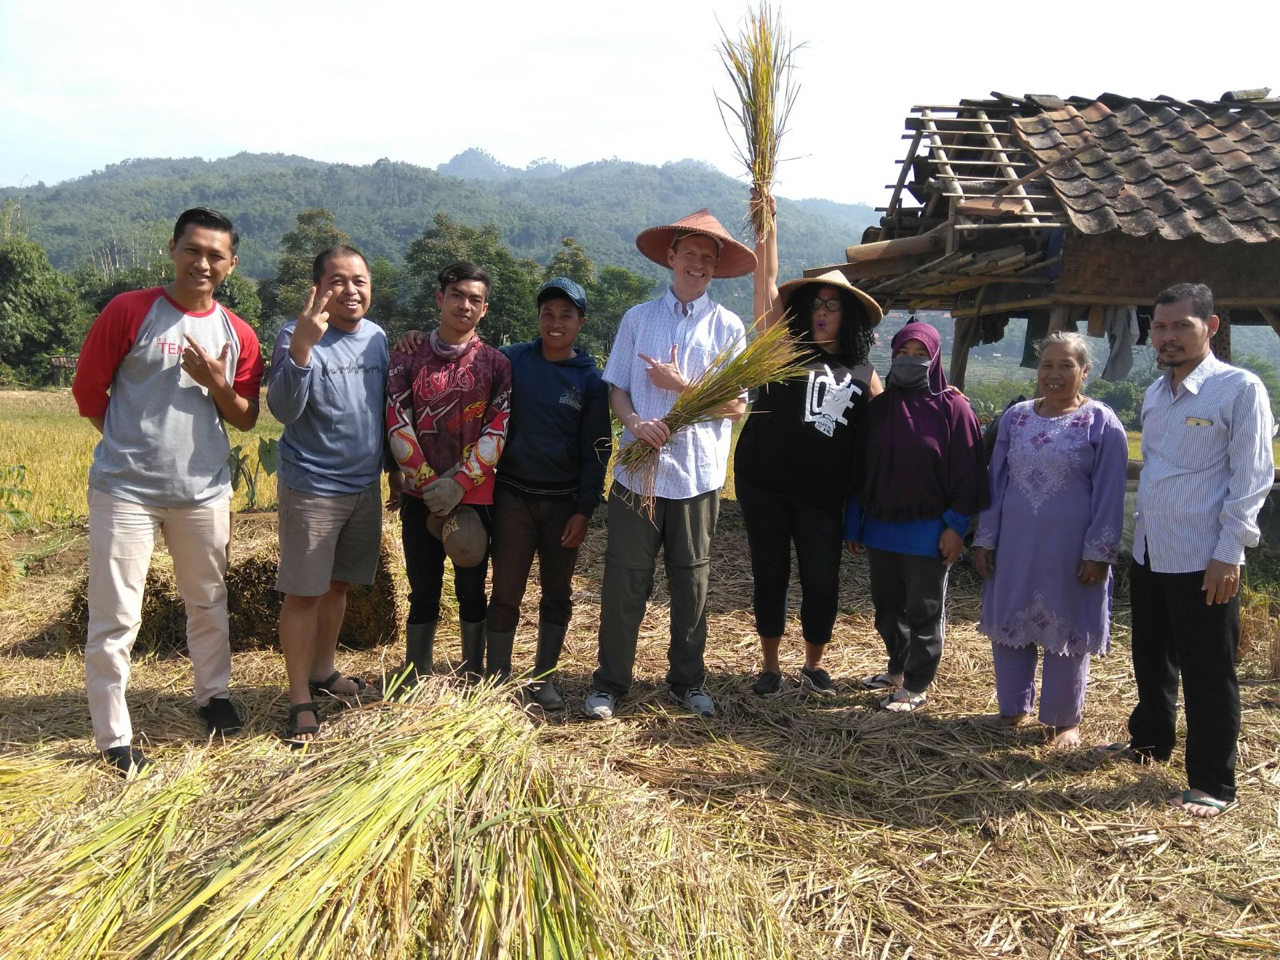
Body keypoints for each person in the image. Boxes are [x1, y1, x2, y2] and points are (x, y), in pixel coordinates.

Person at [72, 207, 263, 775]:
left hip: (203, 491)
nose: (202, 263)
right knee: (116, 614)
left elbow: (247, 417)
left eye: (215, 255)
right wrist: (128, 446)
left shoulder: (237, 333)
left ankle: (214, 695)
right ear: (174, 249)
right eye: (192, 250)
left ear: (231, 264)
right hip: (125, 490)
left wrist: (216, 384)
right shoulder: (130, 311)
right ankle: (114, 736)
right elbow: (88, 389)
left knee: (208, 599)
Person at [1102, 283, 1273, 818]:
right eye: (1160, 326)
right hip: (1153, 550)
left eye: (1182, 326)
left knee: (1207, 669)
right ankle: (1150, 741)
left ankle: (1213, 783)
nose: (1168, 337)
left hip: (1205, 557)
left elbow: (1253, 478)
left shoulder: (1239, 389)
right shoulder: (1156, 393)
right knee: (1151, 656)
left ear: (1211, 327)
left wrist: (1231, 552)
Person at [585, 209, 756, 720]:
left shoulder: (728, 327)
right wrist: (635, 423)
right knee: (624, 581)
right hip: (636, 475)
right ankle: (610, 682)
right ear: (671, 257)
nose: (698, 264)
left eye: (708, 257)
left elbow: (736, 406)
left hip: (698, 477)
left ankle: (688, 681)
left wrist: (682, 388)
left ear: (716, 268)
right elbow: (616, 387)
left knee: (693, 582)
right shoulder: (638, 318)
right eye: (690, 255)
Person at [737, 197, 882, 697]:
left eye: (832, 307)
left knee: (822, 580)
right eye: (816, 306)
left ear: (850, 317)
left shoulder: (865, 374)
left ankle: (814, 663)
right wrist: (766, 226)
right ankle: (770, 665)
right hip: (765, 485)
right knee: (770, 573)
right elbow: (765, 280)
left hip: (824, 497)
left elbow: (882, 435)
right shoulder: (781, 349)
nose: (822, 315)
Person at [972, 332, 1128, 748]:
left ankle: (1063, 722)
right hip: (1016, 546)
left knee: (1067, 631)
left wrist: (1099, 552)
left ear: (1085, 371)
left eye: (1066, 366)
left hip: (1071, 552)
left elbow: (1110, 494)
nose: (1054, 375)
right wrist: (984, 540)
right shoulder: (1016, 418)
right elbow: (996, 483)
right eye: (1047, 366)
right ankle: (1012, 710)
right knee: (1012, 623)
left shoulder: (1102, 423)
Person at [267, 245, 393, 744]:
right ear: (317, 290)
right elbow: (282, 409)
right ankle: (300, 698)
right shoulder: (296, 336)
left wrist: (394, 472)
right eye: (337, 281)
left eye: (359, 280)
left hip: (365, 486)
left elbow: (383, 409)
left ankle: (323, 671)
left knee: (338, 585)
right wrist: (302, 347)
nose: (350, 290)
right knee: (303, 593)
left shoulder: (378, 339)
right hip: (313, 487)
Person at [483, 278, 612, 708]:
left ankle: (544, 679)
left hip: (563, 503)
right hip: (513, 496)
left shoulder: (591, 381)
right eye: (548, 314)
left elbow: (599, 449)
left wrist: (585, 510)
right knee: (505, 591)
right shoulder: (512, 359)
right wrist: (416, 341)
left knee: (557, 592)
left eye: (566, 316)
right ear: (538, 318)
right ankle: (497, 677)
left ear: (581, 322)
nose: (555, 323)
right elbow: (465, 357)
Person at [845, 321, 987, 713]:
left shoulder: (953, 408)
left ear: (935, 358)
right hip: (880, 529)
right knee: (887, 610)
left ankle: (917, 682)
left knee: (924, 609)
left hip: (929, 532)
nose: (910, 361)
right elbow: (860, 471)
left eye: (920, 354)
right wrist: (854, 523)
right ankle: (896, 668)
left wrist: (957, 528)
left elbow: (967, 473)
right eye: (903, 354)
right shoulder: (877, 409)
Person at [386, 262, 511, 683]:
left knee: (471, 587)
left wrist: (458, 483)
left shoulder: (496, 364)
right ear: (440, 298)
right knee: (423, 590)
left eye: (475, 299)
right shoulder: (408, 355)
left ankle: (473, 671)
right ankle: (415, 672)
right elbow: (396, 420)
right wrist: (425, 482)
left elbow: (499, 426)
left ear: (485, 308)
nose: (465, 304)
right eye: (456, 295)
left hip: (474, 498)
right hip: (421, 497)